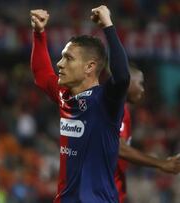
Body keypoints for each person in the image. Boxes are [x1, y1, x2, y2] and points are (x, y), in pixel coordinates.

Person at [30, 5, 130, 203]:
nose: (59, 64)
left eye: (68, 58)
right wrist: (39, 33)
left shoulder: (105, 101)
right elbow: (41, 74)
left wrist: (108, 26)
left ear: (89, 67)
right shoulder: (64, 95)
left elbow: (121, 77)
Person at [115, 65, 180, 203]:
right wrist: (162, 163)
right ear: (127, 83)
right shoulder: (117, 111)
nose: (143, 89)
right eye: (139, 83)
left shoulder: (123, 111)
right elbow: (119, 148)